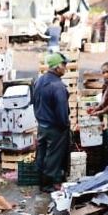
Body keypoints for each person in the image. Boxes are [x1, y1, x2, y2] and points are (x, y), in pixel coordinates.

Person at [31, 52, 72, 190]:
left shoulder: (39, 81)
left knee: (42, 153)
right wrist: (65, 125)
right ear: (57, 67)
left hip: (42, 124)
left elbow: (34, 102)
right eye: (64, 65)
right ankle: (48, 184)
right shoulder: (58, 86)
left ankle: (40, 180)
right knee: (53, 156)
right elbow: (62, 112)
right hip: (55, 127)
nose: (65, 68)